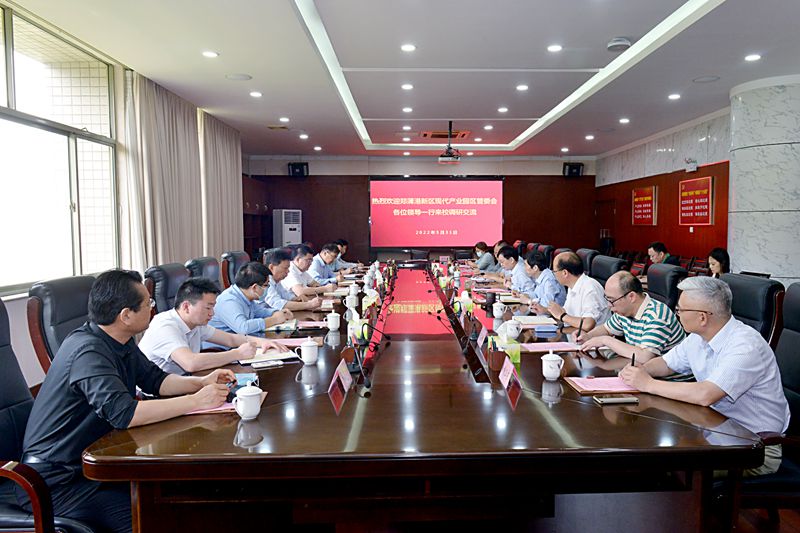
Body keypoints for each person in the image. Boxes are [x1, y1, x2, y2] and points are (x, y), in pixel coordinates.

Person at [17, 270, 236, 533]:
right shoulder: (88, 351)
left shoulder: (120, 341)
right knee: (155, 519)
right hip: (58, 482)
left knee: (182, 493)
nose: (152, 308)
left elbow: (156, 381)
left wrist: (201, 383)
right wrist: (196, 401)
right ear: (125, 315)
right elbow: (125, 414)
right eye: (147, 303)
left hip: (98, 460)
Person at [620, 276, 789, 476]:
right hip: (716, 432)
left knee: (660, 467)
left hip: (754, 449)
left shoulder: (745, 346)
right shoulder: (697, 338)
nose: (677, 314)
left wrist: (648, 384)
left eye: (680, 310)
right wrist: (640, 371)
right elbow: (666, 364)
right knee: (650, 449)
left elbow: (705, 394)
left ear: (702, 317)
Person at [139, 277, 288, 374]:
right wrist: (237, 354)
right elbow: (190, 363)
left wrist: (263, 342)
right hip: (156, 396)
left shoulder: (196, 323)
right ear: (186, 307)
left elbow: (231, 339)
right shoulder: (165, 326)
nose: (212, 313)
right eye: (208, 307)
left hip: (184, 382)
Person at [578, 271, 684, 362]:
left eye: (612, 300)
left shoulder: (657, 316)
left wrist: (605, 340)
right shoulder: (624, 311)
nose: (609, 305)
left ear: (631, 297)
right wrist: (588, 336)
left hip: (664, 378)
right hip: (639, 370)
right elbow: (607, 329)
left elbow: (645, 357)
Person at [208, 261, 293, 338]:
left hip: (242, 341)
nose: (267, 288)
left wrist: (277, 312)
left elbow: (259, 311)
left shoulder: (246, 296)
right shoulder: (228, 301)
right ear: (255, 287)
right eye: (266, 285)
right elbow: (243, 328)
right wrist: (274, 319)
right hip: (222, 348)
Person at [533, 251, 610, 331]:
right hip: (574, 334)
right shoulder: (572, 286)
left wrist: (562, 316)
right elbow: (568, 316)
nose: (553, 274)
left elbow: (588, 324)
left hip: (591, 337)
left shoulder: (590, 288)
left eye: (554, 271)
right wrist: (546, 310)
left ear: (565, 273)